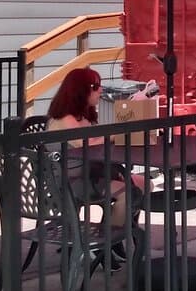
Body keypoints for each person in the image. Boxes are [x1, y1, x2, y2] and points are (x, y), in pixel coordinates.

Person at [47, 68, 139, 229]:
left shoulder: (83, 116)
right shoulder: (65, 119)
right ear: (81, 91)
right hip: (70, 183)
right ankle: (110, 242)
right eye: (95, 86)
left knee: (143, 185)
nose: (100, 90)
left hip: (90, 175)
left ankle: (116, 228)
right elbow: (88, 144)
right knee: (127, 193)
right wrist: (115, 135)